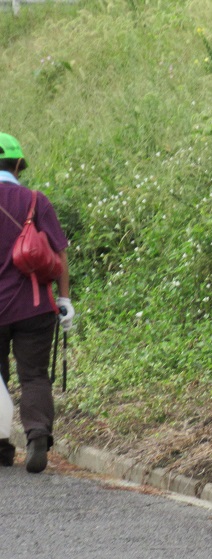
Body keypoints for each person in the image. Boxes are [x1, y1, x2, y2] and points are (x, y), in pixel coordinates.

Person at [0, 132, 74, 473]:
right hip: (34, 305)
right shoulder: (35, 200)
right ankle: (38, 436)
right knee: (34, 375)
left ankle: (1, 447)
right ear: (18, 165)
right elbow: (59, 252)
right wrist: (64, 298)